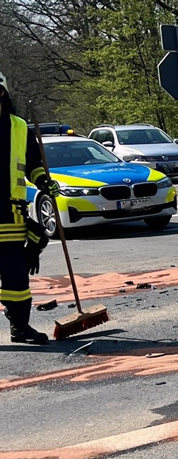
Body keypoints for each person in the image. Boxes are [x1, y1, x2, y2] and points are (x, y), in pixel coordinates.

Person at [0, 70, 59, 344]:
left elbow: (33, 164)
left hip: (10, 214)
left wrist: (44, 182)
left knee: (16, 277)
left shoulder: (18, 127)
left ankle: (20, 327)